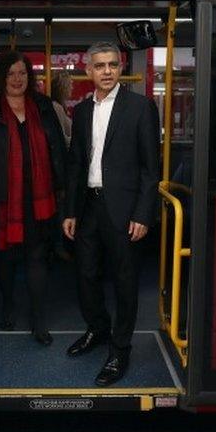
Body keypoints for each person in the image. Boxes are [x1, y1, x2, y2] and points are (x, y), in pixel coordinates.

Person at [62, 42, 160, 387]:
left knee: (124, 280)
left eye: (112, 65)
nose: (106, 71)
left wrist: (143, 214)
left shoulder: (141, 107)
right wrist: (70, 209)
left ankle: (120, 349)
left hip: (125, 210)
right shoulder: (83, 110)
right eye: (99, 66)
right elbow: (76, 163)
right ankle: (98, 329)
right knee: (85, 274)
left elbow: (151, 168)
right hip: (88, 206)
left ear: (120, 69)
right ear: (88, 71)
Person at [0, 51, 67, 346]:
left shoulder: (44, 105)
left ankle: (39, 318)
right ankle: (8, 302)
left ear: (29, 76)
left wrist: (63, 187)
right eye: (11, 73)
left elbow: (58, 149)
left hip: (40, 198)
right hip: (1, 198)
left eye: (22, 73)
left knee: (37, 257)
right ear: (1, 77)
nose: (17, 79)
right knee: (3, 259)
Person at [50, 70, 73, 147]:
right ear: (63, 87)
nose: (72, 88)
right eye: (70, 84)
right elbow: (61, 139)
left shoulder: (60, 106)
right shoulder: (56, 107)